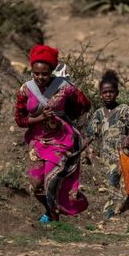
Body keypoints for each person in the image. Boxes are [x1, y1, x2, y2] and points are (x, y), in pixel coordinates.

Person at [14, 45, 91, 222]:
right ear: (31, 71)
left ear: (52, 72)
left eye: (45, 74)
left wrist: (67, 116)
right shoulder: (25, 90)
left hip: (61, 140)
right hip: (38, 141)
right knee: (36, 185)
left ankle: (55, 218)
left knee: (52, 180)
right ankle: (50, 209)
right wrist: (39, 117)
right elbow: (20, 120)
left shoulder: (64, 87)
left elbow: (84, 104)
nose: (40, 77)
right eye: (36, 73)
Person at [86, 69, 129, 219]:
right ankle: (111, 212)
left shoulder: (123, 110)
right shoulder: (98, 114)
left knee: (123, 181)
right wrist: (80, 148)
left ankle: (119, 209)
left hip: (123, 152)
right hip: (107, 155)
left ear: (117, 93)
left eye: (111, 91)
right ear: (100, 94)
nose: (108, 94)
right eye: (105, 92)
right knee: (112, 181)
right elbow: (91, 134)